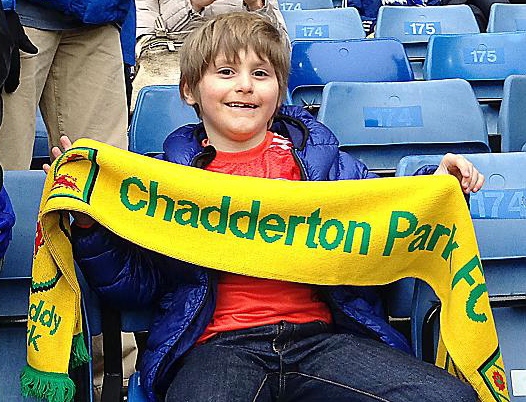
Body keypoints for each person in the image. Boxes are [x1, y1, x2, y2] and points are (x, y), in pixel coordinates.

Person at [47, 12, 484, 402]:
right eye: (225, 71)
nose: (245, 85)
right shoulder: (165, 180)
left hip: (323, 339)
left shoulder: (322, 163)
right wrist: (90, 224)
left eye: (261, 73)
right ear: (189, 90)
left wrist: (438, 182)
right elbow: (134, 286)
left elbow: (388, 210)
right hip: (216, 347)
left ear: (280, 91)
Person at [0, 0, 131, 171]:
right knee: (9, 163)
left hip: (101, 18)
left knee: (103, 173)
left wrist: (126, 47)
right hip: (18, 17)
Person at [132, 0, 287, 109]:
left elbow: (282, 54)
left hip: (242, 93)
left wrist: (257, 6)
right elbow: (140, 45)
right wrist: (193, 6)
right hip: (167, 86)